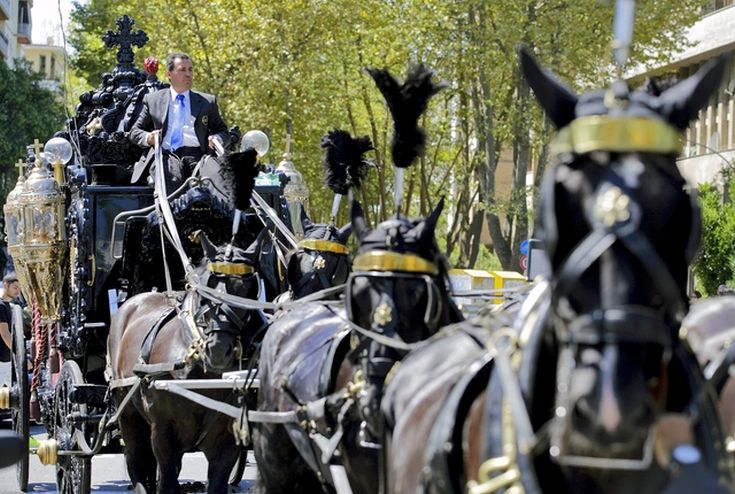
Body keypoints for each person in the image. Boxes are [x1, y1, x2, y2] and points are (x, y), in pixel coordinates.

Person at [129, 52, 229, 190]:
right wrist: (149, 138)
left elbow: (223, 131)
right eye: (182, 70)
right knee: (171, 177)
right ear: (169, 74)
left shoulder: (207, 102)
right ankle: (172, 211)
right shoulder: (153, 100)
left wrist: (217, 138)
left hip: (199, 156)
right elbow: (134, 132)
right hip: (167, 155)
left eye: (190, 70)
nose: (188, 74)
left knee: (215, 178)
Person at [0, 273, 20, 363]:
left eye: (20, 288)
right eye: (15, 288)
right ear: (5, 285)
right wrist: (19, 355)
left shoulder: (8, 305)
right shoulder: (1, 306)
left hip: (7, 357)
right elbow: (4, 333)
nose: (18, 291)